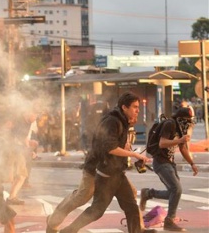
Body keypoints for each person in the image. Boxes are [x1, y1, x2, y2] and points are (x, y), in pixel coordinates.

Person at [58, 92, 152, 233]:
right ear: (124, 107)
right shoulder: (112, 121)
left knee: (131, 207)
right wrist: (133, 154)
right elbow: (110, 147)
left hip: (117, 173)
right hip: (106, 174)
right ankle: (69, 230)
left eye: (138, 107)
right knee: (97, 210)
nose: (138, 110)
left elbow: (116, 146)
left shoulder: (123, 121)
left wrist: (127, 149)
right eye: (134, 107)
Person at [139, 107, 198, 232]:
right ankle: (169, 221)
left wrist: (192, 163)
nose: (189, 124)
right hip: (161, 162)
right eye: (188, 121)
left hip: (170, 163)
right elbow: (162, 143)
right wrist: (180, 140)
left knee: (174, 192)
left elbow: (183, 149)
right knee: (176, 189)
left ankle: (148, 193)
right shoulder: (170, 124)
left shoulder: (181, 129)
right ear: (181, 119)